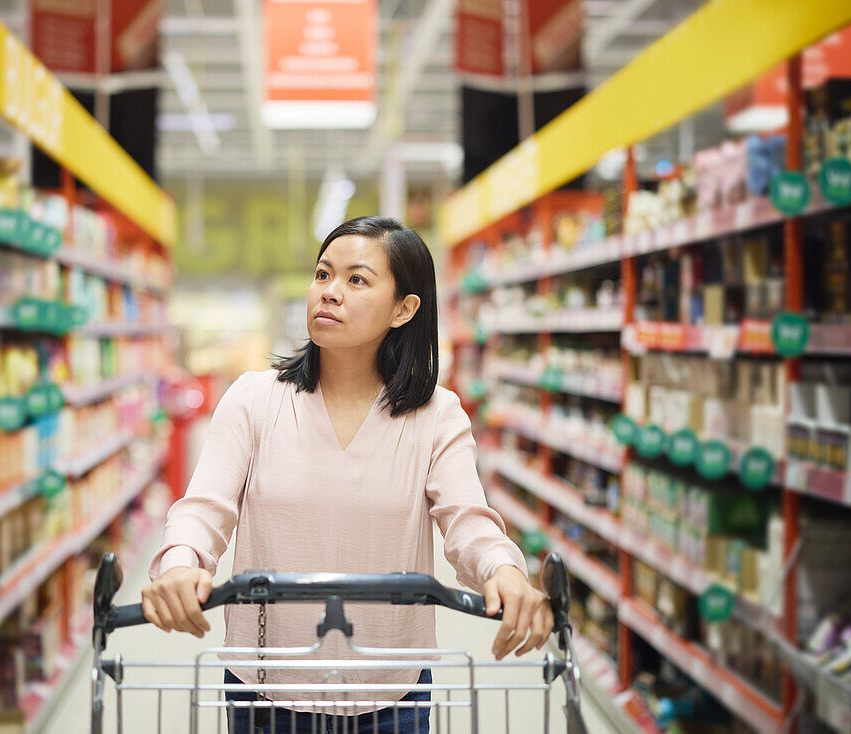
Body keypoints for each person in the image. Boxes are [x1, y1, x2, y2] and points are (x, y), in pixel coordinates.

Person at [142, 216, 553, 733]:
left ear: (404, 309)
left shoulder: (435, 415)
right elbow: (203, 510)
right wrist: (181, 563)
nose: (329, 293)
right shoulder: (254, 398)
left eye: (356, 280)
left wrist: (505, 572)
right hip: (267, 687)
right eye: (322, 275)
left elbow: (468, 522)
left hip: (390, 690)